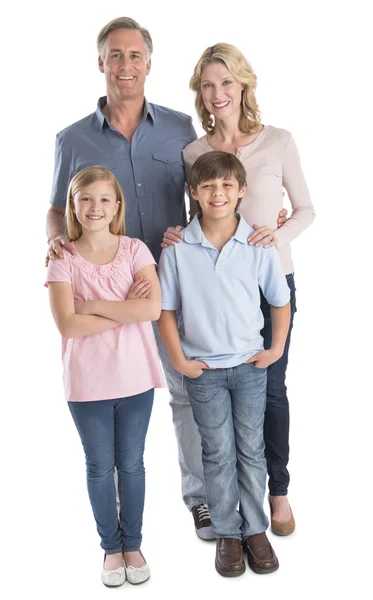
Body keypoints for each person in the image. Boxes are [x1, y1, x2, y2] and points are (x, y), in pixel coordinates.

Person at [46, 17, 285, 539]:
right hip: (110, 290)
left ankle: (202, 500)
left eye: (135, 56)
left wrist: (270, 215)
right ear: (101, 63)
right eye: (115, 55)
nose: (125, 65)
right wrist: (53, 243)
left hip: (178, 285)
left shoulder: (180, 129)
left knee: (186, 389)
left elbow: (217, 182)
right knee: (115, 394)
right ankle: (128, 529)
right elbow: (54, 210)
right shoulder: (72, 139)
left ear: (149, 64)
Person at [162, 43, 315, 535]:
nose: (217, 93)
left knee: (271, 391)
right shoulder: (193, 153)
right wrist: (174, 234)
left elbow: (307, 210)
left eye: (226, 82)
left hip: (273, 283)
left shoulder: (279, 141)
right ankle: (228, 509)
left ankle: (277, 493)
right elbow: (196, 220)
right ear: (199, 93)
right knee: (219, 402)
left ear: (243, 84)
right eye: (207, 85)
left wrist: (278, 234)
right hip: (216, 291)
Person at [158, 151, 290, 576]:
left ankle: (255, 530)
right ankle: (229, 534)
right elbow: (165, 310)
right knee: (217, 454)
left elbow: (280, 301)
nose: (218, 194)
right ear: (193, 192)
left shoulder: (256, 244)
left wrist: (274, 351)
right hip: (204, 372)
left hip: (250, 368)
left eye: (227, 186)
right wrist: (180, 360)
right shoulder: (178, 249)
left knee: (250, 450)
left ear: (241, 191)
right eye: (209, 187)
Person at [46, 166, 165, 587]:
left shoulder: (135, 250)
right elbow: (67, 326)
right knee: (99, 467)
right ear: (73, 207)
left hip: (135, 378)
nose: (94, 208)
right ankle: (111, 549)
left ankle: (133, 543)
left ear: (117, 205)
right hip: (87, 382)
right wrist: (120, 309)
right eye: (85, 199)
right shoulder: (63, 257)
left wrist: (91, 307)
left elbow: (150, 311)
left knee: (131, 464)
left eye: (103, 199)